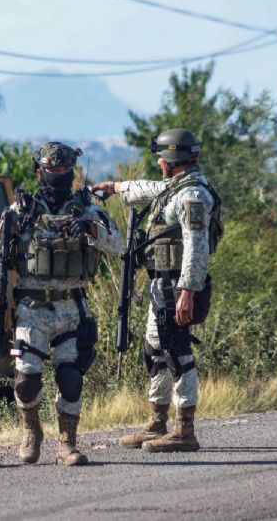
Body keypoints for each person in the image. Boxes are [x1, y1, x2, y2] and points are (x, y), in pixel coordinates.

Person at [0, 141, 123, 466]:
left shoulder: (87, 208)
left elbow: (118, 245)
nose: (59, 176)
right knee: (27, 381)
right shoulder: (21, 211)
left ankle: (67, 444)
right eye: (53, 170)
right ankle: (31, 432)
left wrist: (91, 229)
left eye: (65, 170)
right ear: (39, 171)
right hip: (31, 309)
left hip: (72, 309)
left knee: (70, 378)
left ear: (72, 172)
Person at [91, 128, 221, 453]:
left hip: (177, 284)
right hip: (160, 284)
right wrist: (115, 188)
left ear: (171, 160)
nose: (159, 162)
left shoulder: (193, 197)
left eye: (161, 157)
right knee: (154, 350)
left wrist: (187, 291)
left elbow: (196, 248)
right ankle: (157, 420)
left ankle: (185, 429)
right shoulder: (176, 188)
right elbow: (149, 189)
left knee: (178, 351)